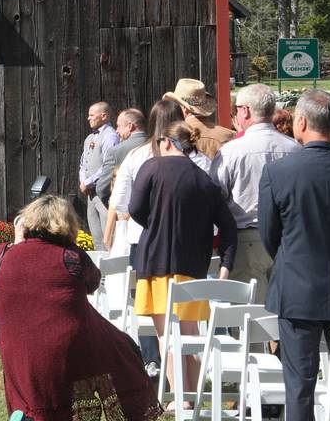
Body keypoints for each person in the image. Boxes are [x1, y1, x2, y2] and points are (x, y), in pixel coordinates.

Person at [0, 195, 161, 421]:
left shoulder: (1, 256)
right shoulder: (71, 257)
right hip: (67, 351)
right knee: (120, 349)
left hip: (18, 354)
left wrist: (18, 244)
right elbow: (93, 282)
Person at [128, 120, 237, 407]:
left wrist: (155, 223)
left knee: (168, 336)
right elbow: (227, 226)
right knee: (189, 336)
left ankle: (182, 398)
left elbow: (136, 209)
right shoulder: (204, 179)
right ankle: (192, 395)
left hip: (157, 260)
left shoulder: (151, 168)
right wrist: (226, 262)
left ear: (166, 142)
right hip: (193, 266)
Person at [259, 89, 330, 421]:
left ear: (302, 121)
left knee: (299, 387)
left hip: (297, 290)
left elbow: (269, 234)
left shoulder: (279, 172)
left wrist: (292, 259)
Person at [106, 99, 199, 378]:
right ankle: (185, 370)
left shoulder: (137, 156)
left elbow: (120, 201)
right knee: (185, 311)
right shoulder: (191, 157)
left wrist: (147, 221)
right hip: (187, 241)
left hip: (144, 241)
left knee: (149, 307)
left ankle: (153, 361)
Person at [210, 84, 299, 303]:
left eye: (237, 107)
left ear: (246, 111)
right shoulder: (295, 148)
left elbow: (215, 196)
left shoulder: (231, 152)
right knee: (284, 318)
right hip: (287, 239)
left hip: (246, 240)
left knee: (247, 321)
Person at [79, 102, 120, 251]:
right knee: (96, 236)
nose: (88, 118)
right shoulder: (89, 138)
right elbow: (83, 163)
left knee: (108, 237)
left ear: (104, 116)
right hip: (90, 193)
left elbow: (108, 166)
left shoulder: (110, 136)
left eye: (92, 115)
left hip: (103, 193)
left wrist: (88, 181)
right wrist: (83, 180)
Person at [163, 78, 234, 159]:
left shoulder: (174, 135)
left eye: (176, 104)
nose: (174, 108)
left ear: (184, 108)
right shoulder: (227, 134)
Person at [96, 108, 146, 210]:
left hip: (128, 215)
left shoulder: (116, 151)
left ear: (130, 126)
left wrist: (115, 211)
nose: (117, 131)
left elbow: (102, 189)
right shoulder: (159, 145)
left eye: (118, 126)